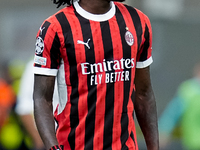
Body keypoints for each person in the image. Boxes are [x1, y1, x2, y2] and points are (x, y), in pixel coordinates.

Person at [33, 0, 159, 150]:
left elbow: (143, 94)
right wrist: (53, 148)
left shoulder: (138, 21)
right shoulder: (56, 27)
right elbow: (42, 98)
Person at [159, 62, 200, 150]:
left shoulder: (188, 90)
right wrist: (164, 131)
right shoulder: (188, 91)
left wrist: (164, 131)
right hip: (193, 144)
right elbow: (172, 113)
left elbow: (171, 114)